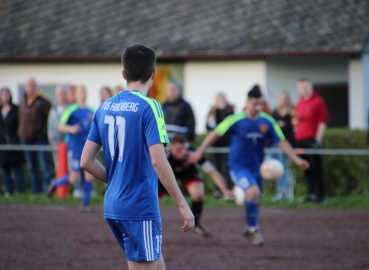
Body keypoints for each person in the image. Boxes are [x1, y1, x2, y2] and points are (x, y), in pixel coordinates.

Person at [80, 44, 194, 269]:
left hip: (114, 205)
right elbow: (158, 160)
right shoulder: (150, 107)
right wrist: (182, 204)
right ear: (153, 74)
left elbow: (85, 161)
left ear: (124, 74)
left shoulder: (104, 107)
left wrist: (116, 181)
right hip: (139, 207)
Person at [188, 86, 309, 246]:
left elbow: (281, 141)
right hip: (238, 166)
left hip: (258, 167)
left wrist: (295, 158)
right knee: (253, 192)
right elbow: (215, 133)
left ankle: (249, 226)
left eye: (261, 104)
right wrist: (199, 152)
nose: (258, 107)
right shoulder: (235, 120)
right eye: (255, 104)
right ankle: (252, 229)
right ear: (247, 103)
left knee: (255, 198)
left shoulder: (267, 121)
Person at [158, 134, 234, 237]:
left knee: (198, 194)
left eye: (185, 148)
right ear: (171, 148)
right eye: (179, 149)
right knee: (153, 202)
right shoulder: (163, 153)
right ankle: (150, 225)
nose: (183, 152)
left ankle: (196, 224)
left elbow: (212, 172)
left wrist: (224, 190)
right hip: (164, 175)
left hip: (187, 172)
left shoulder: (193, 153)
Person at [46, 85, 95, 212]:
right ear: (76, 95)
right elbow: (60, 126)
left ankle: (85, 204)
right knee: (75, 178)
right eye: (80, 92)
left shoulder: (91, 110)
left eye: (84, 91)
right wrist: (71, 129)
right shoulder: (71, 109)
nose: (83, 94)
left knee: (90, 176)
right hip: (74, 147)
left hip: (88, 148)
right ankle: (55, 184)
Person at [294, 77, 328, 203]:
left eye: (306, 86)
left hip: (312, 139)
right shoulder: (299, 102)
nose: (304, 89)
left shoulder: (318, 101)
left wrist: (317, 140)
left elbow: (322, 120)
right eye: (301, 87)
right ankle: (311, 194)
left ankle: (321, 195)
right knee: (306, 168)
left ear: (311, 86)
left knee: (316, 168)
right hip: (301, 140)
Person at [18, 78, 52, 193]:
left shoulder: (42, 102)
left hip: (39, 139)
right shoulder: (22, 102)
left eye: (32, 85)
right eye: (28, 85)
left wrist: (43, 133)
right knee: (31, 167)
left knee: (44, 167)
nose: (30, 87)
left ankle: (47, 190)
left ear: (35, 86)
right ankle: (35, 192)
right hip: (26, 139)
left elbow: (50, 119)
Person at [206, 92, 234, 197]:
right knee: (217, 168)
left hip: (227, 143)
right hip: (216, 143)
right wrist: (213, 115)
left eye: (222, 98)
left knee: (227, 167)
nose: (221, 101)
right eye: (219, 99)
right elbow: (208, 126)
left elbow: (229, 124)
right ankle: (218, 190)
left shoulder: (230, 110)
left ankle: (228, 189)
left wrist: (223, 110)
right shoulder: (213, 111)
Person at [269, 91, 296, 201]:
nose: (283, 100)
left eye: (285, 98)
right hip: (275, 143)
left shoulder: (292, 111)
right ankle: (280, 192)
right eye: (281, 98)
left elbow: (294, 125)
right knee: (274, 167)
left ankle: (287, 191)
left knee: (283, 168)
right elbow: (271, 125)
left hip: (287, 143)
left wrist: (285, 125)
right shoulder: (275, 111)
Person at [0, 87, 25, 196]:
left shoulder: (16, 109)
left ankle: (21, 192)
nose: (5, 96)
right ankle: (9, 192)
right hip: (3, 145)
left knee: (18, 168)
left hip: (14, 143)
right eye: (3, 94)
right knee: (5, 169)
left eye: (7, 94)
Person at [48, 85, 69, 167]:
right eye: (60, 94)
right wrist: (51, 139)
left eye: (63, 93)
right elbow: (50, 126)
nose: (62, 96)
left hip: (68, 143)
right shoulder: (53, 110)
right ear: (56, 95)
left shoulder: (70, 108)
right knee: (59, 166)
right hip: (56, 143)